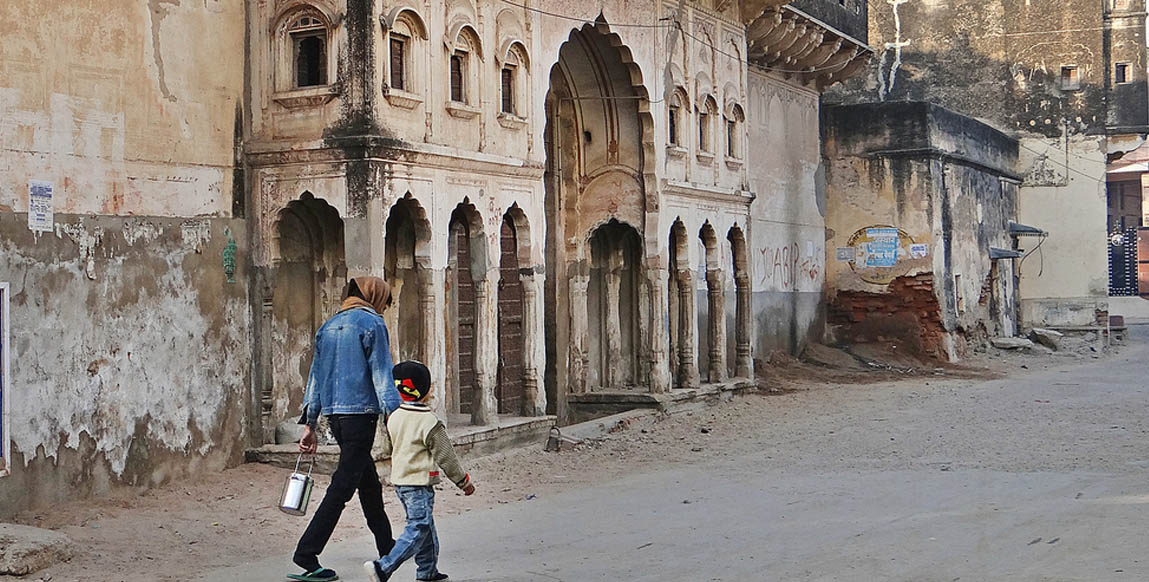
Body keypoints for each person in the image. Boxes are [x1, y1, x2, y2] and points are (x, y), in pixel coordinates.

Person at [289, 276, 403, 582]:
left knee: (369, 485)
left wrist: (310, 424)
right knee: (341, 488)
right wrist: (397, 415)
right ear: (374, 296)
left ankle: (387, 546)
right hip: (361, 416)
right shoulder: (372, 324)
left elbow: (315, 378)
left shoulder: (328, 327)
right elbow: (382, 372)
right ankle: (306, 554)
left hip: (336, 418)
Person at [364, 361, 476, 582]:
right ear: (425, 390)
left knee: (426, 529)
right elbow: (447, 457)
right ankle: (383, 567)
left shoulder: (394, 416)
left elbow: (391, 447)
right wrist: (463, 481)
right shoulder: (429, 421)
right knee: (418, 528)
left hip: (401, 482)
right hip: (419, 483)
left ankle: (428, 572)